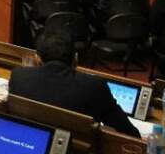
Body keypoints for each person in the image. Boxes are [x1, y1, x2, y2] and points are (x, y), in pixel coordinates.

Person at [9, 31, 139, 137]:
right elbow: (130, 134)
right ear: (76, 59)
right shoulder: (94, 86)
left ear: (37, 59)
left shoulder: (18, 75)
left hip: (27, 140)